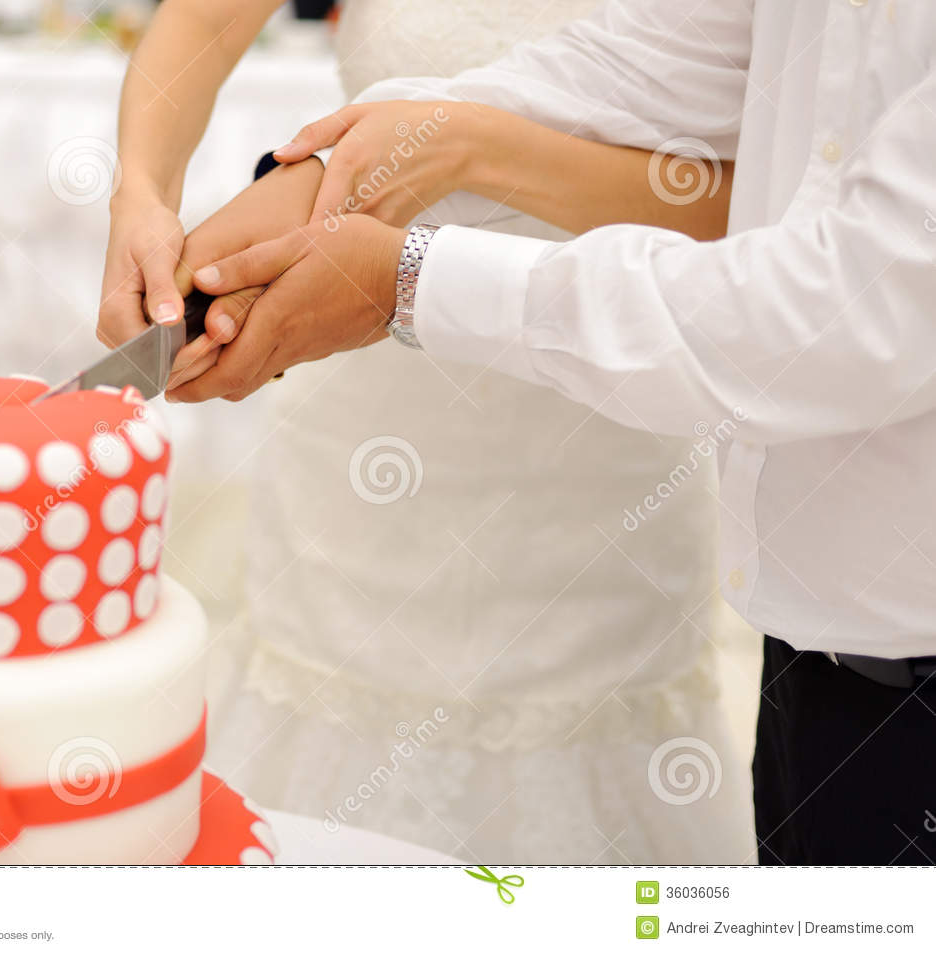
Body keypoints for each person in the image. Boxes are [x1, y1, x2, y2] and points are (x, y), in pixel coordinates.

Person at [174, 0, 936, 865]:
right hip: (813, 655)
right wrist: (324, 176)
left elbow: (850, 313)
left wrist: (415, 278)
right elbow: (652, 61)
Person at [102, 0, 754, 862]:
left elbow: (731, 205)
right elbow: (203, 24)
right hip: (360, 430)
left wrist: (469, 157)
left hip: (601, 427)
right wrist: (142, 190)